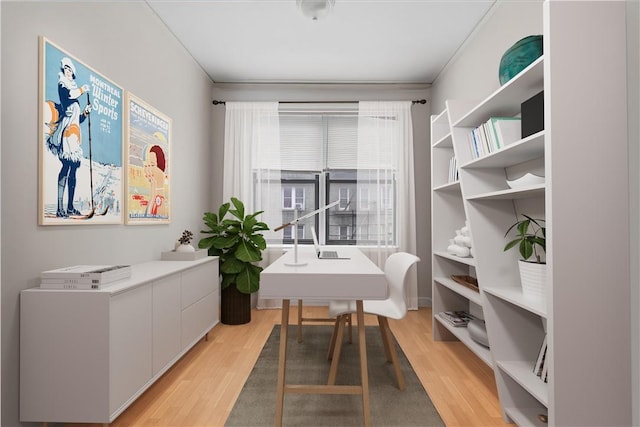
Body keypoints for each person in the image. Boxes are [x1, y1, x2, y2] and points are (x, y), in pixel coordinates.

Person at [53, 57, 91, 217]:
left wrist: (84, 113)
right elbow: (69, 95)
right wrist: (82, 90)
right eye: (66, 69)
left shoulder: (74, 94)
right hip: (66, 133)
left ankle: (69, 207)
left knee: (74, 168)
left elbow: (78, 120)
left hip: (74, 135)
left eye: (70, 70)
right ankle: (60, 208)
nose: (68, 72)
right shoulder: (63, 86)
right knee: (67, 166)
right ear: (63, 71)